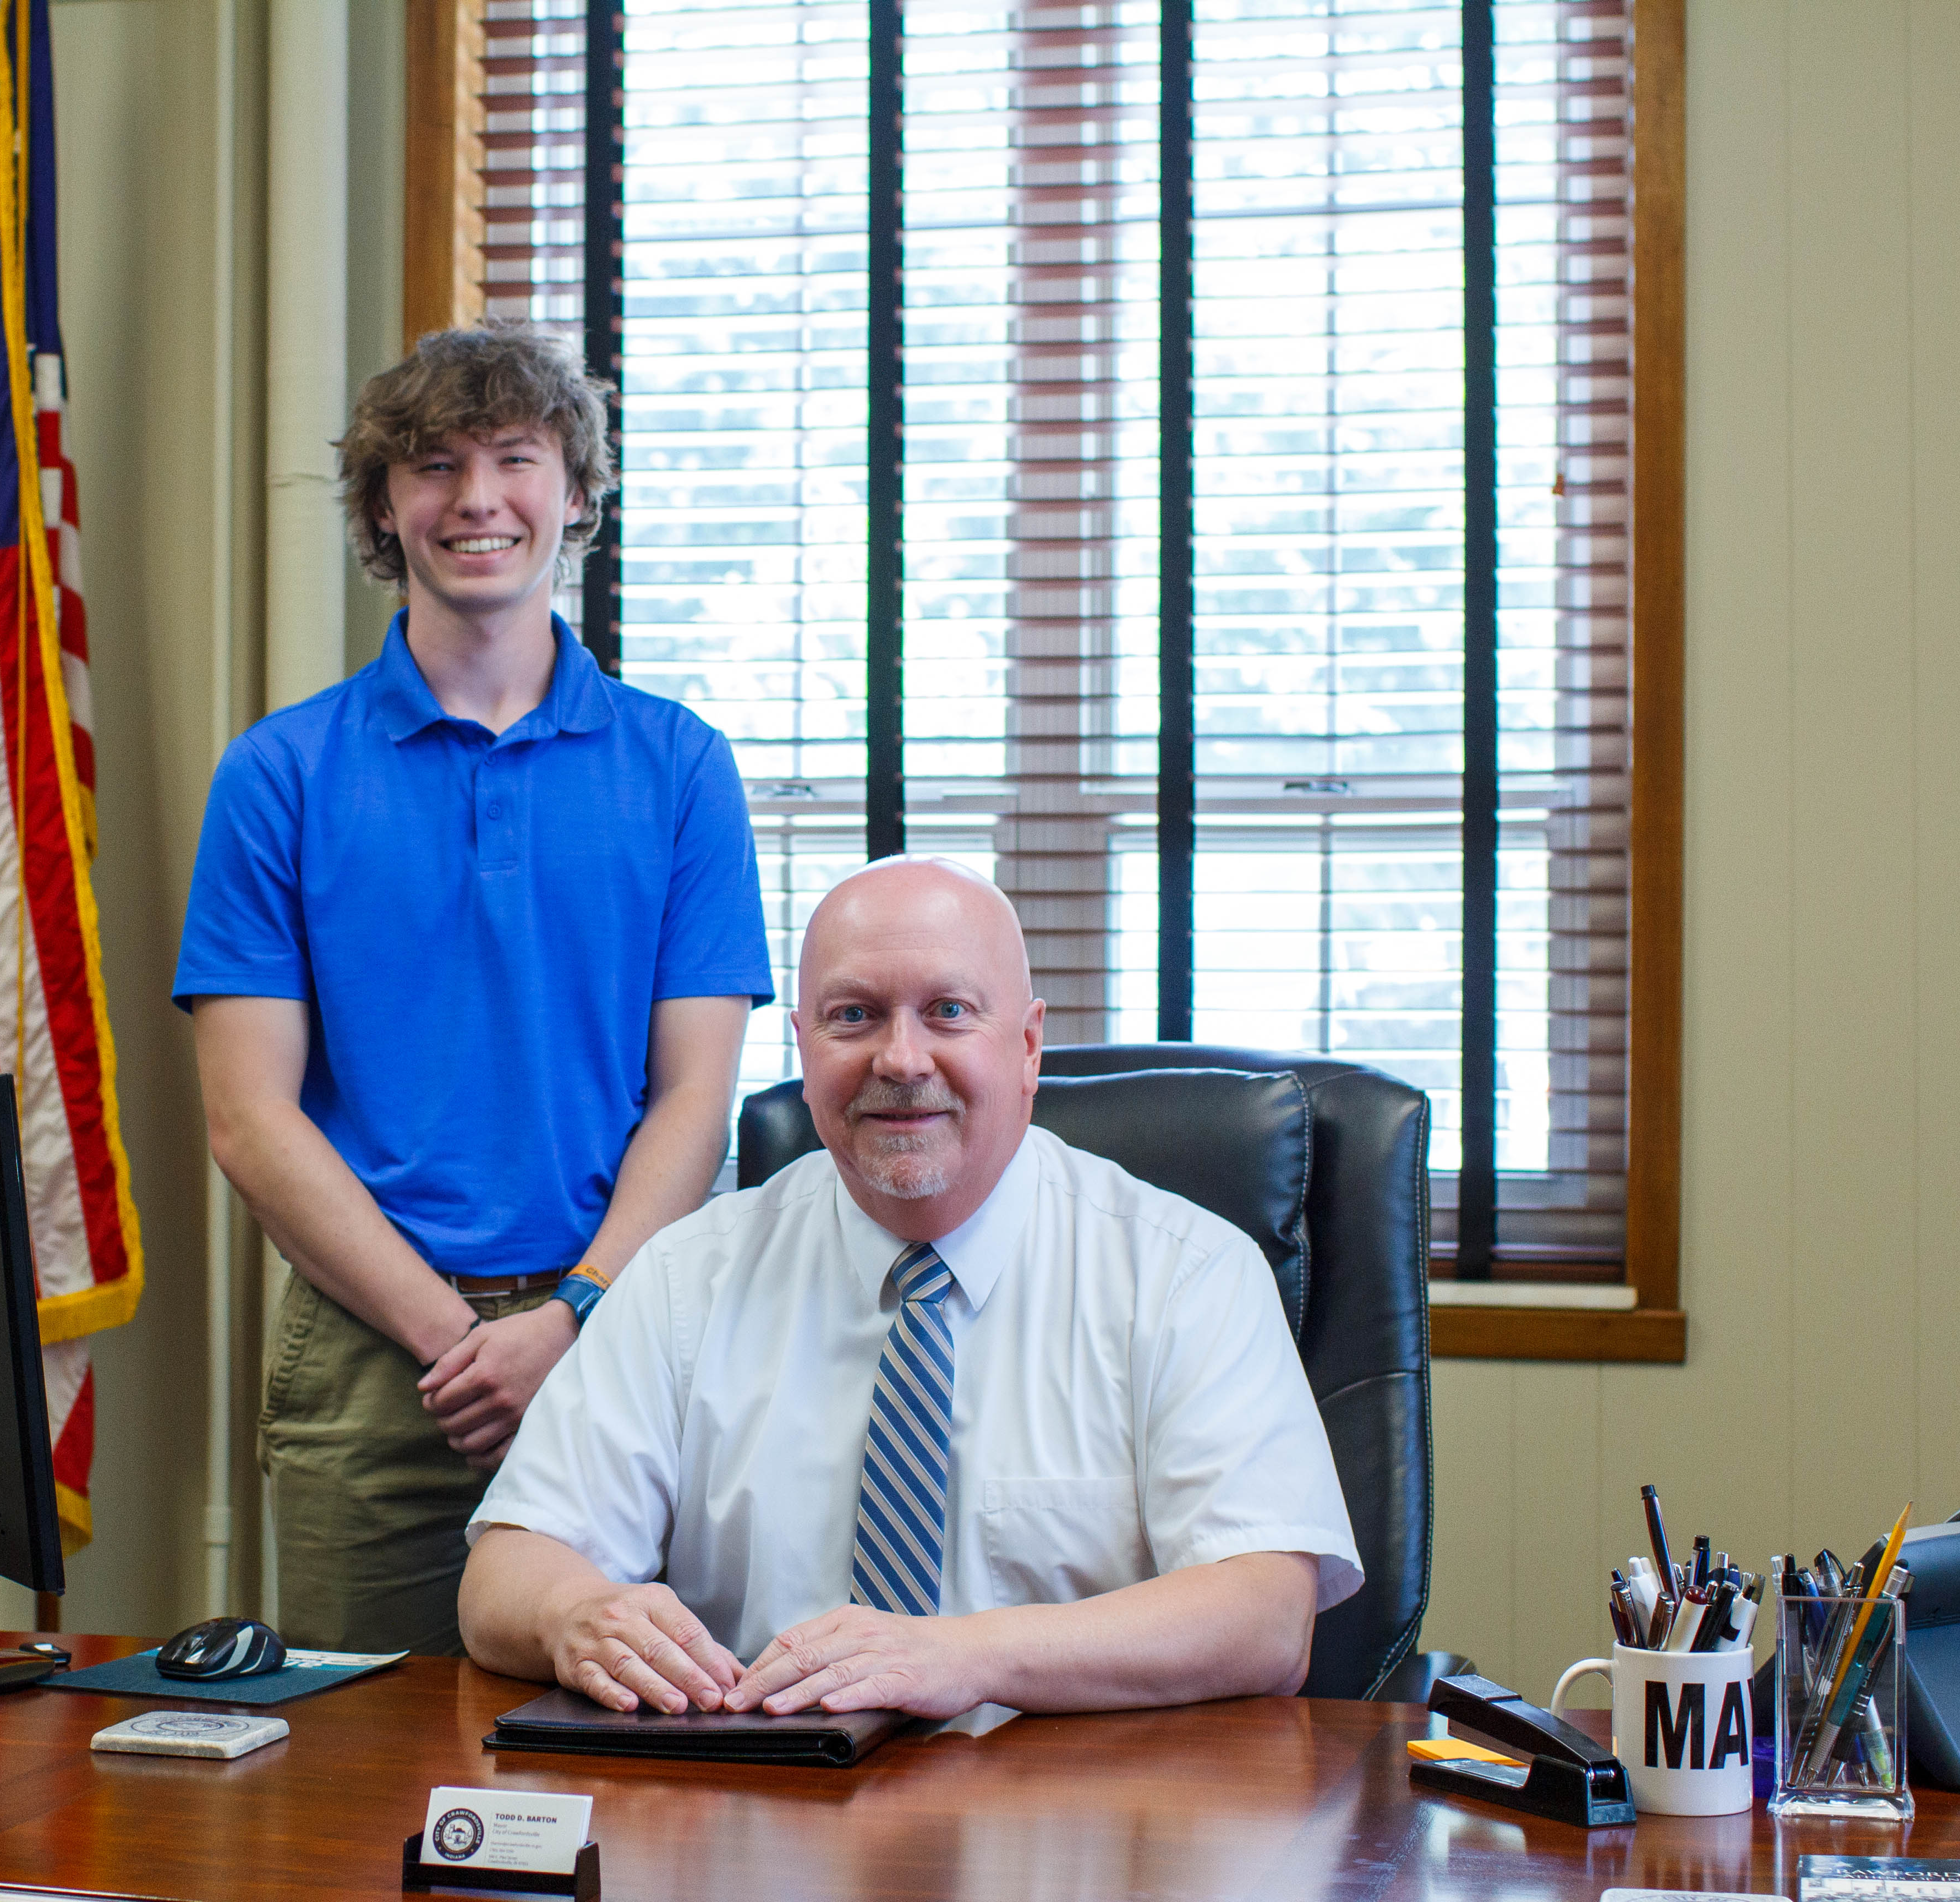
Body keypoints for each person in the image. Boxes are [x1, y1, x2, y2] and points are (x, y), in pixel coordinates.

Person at [174, 322, 771, 1655]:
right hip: (374, 1359)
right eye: (434, 466)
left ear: (576, 493)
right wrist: (460, 1340)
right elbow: (249, 1121)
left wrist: (573, 1318)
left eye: (517, 458)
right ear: (385, 507)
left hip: (623, 1335)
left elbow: (695, 1101)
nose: (478, 499)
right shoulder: (280, 776)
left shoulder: (681, 768)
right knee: (345, 1785)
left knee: (625, 1757)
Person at [458, 857, 1361, 1717]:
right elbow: (507, 1573)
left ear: (1029, 1045)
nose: (901, 1059)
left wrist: (964, 1657)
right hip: (762, 1818)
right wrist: (573, 1615)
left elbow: (1266, 1618)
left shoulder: (1183, 1273)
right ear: (804, 1047)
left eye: (949, 1011)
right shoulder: (684, 1279)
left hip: (1078, 1825)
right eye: (854, 1016)